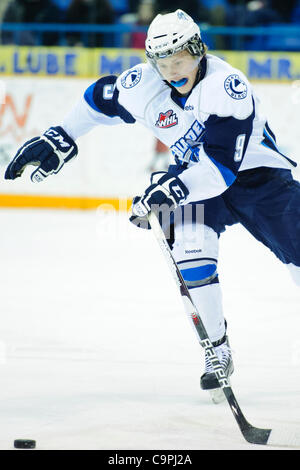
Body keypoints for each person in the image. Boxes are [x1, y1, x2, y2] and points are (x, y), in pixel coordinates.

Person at [4, 10, 300, 403]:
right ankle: (218, 348)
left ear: (198, 51)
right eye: (161, 63)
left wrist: (170, 190)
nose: (171, 71)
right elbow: (99, 98)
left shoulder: (227, 87)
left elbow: (222, 171)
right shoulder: (144, 86)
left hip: (257, 179)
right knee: (191, 251)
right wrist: (62, 136)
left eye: (178, 61)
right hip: (193, 181)